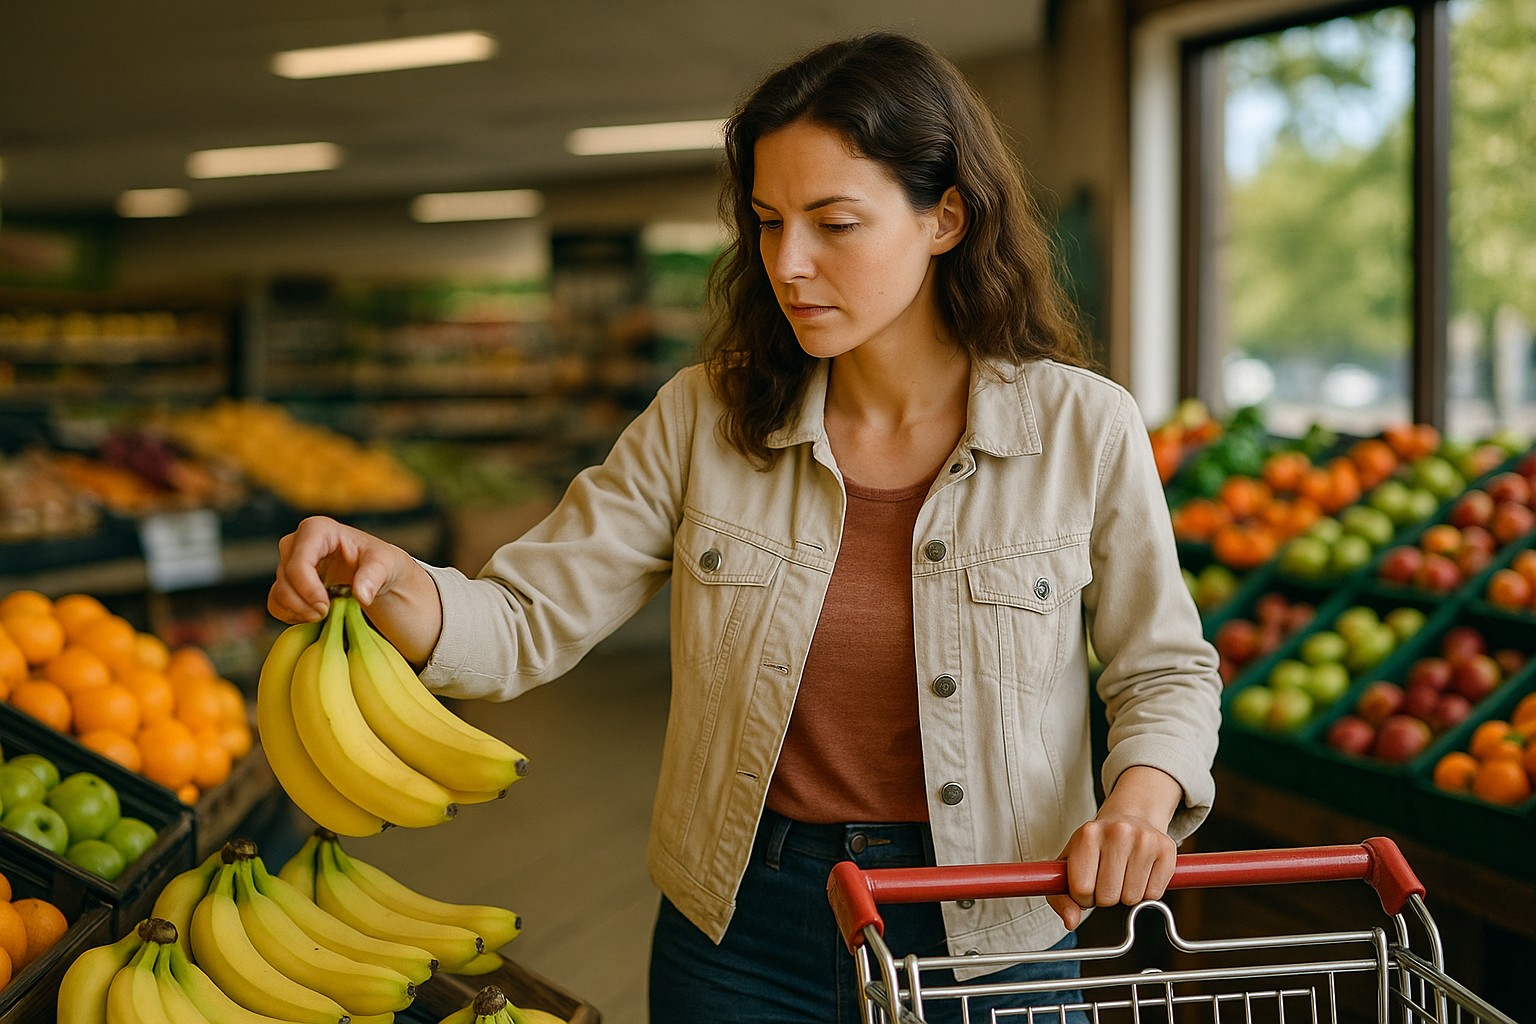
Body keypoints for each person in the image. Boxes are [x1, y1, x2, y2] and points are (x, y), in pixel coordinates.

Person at [267, 31, 1222, 1024]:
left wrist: (1141, 802)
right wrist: (388, 581)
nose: (789, 262)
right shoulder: (705, 420)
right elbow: (522, 617)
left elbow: (1164, 667)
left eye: (834, 222)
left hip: (995, 925)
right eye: (768, 223)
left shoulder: (1081, 427)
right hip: (743, 926)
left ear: (945, 218)